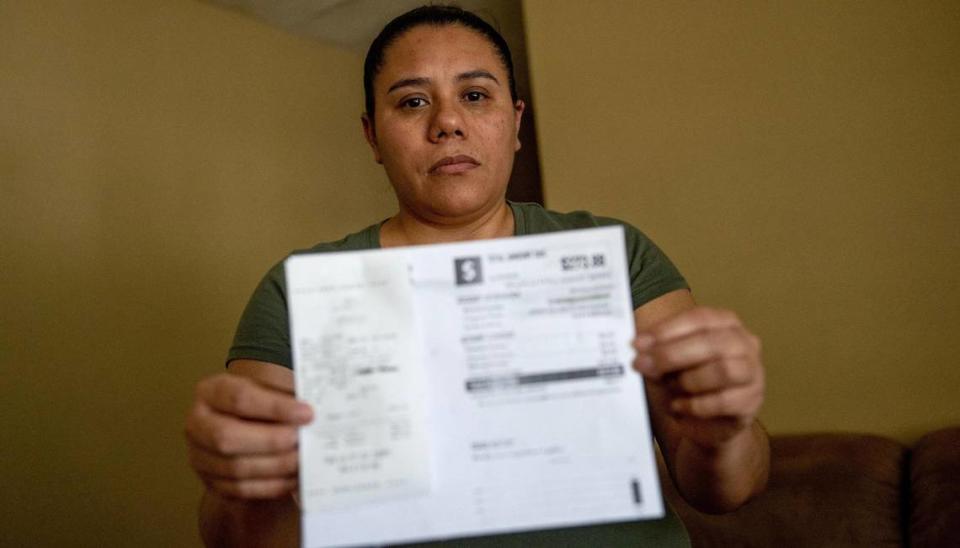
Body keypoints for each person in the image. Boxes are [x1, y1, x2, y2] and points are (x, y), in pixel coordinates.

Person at [184, 5, 769, 547]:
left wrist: (722, 431)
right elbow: (244, 537)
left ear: (515, 122)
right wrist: (243, 485)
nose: (447, 122)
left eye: (475, 95)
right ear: (372, 136)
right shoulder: (300, 288)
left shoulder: (616, 252)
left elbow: (725, 490)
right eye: (412, 102)